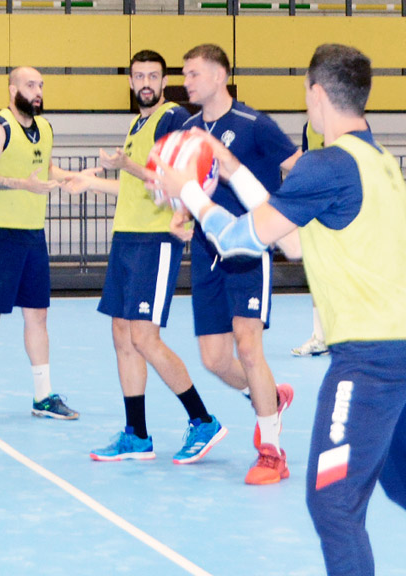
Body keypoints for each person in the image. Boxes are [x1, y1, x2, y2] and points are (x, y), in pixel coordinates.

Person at [154, 42, 406, 576]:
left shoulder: (325, 164)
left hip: (370, 360)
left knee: (333, 504)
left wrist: (190, 193)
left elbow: (240, 242)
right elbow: (292, 241)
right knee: (401, 485)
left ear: (315, 95)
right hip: (397, 353)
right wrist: (230, 168)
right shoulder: (377, 162)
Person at [69, 50, 227, 464]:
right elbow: (133, 187)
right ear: (130, 81)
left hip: (156, 240)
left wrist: (127, 165)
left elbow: (169, 179)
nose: (145, 82)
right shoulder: (136, 126)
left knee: (144, 336)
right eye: (138, 75)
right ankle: (136, 434)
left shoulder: (172, 118)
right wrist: (87, 182)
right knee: (122, 333)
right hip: (126, 238)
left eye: (153, 76)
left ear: (163, 81)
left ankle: (202, 419)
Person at [176, 43, 299, 484]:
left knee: (248, 347)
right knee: (214, 358)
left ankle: (272, 452)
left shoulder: (254, 124)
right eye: (185, 74)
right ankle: (268, 396)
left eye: (193, 74)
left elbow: (297, 165)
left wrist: (286, 214)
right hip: (207, 250)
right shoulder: (188, 129)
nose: (186, 82)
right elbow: (188, 182)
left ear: (218, 76)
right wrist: (180, 213)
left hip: (249, 246)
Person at [0, 66, 84, 425]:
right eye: (30, 85)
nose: (38, 91)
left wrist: (72, 178)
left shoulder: (44, 128)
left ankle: (43, 396)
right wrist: (20, 184)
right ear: (12, 89)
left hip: (32, 233)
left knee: (38, 315)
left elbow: (43, 170)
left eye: (41, 85)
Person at [292, 120, 330, 358]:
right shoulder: (308, 126)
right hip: (317, 209)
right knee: (318, 272)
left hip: (343, 209)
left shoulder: (350, 120)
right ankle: (321, 337)